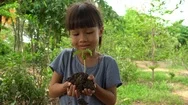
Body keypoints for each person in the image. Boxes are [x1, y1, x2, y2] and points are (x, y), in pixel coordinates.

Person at [48, 1, 122, 105]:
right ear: (70, 34)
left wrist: (95, 88)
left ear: (100, 31)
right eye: (76, 34)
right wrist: (66, 86)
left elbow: (111, 100)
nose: (82, 39)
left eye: (89, 32)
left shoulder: (108, 63)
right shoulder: (65, 57)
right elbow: (52, 91)